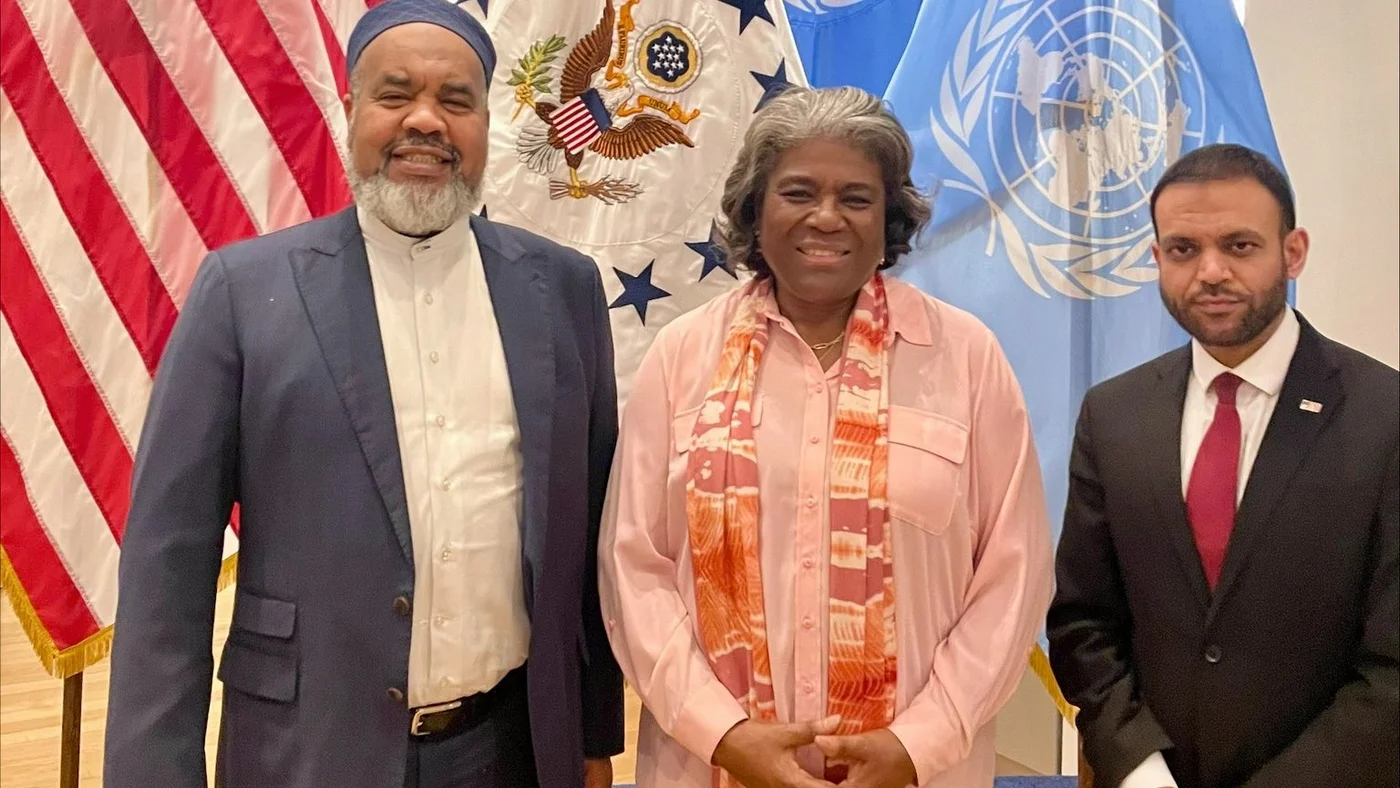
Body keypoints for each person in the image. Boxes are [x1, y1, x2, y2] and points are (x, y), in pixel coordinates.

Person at [102, 1, 624, 786]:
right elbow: (167, 569)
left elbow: (587, 538)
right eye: (395, 94)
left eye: (456, 100)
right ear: (350, 111)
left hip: (511, 749)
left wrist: (592, 737)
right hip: (309, 750)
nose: (427, 121)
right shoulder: (242, 293)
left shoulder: (565, 290)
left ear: (486, 120)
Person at [597, 85, 1055, 788]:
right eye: (799, 192)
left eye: (856, 198)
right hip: (710, 768)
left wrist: (918, 742)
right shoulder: (683, 357)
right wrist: (725, 735)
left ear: (889, 217)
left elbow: (1012, 576)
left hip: (921, 774)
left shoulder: (965, 358)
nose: (826, 218)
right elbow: (634, 568)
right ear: (755, 209)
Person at [1047, 143, 1399, 788]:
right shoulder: (1113, 414)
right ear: (1156, 259)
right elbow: (1083, 622)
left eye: (1239, 246)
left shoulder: (1385, 416)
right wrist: (1139, 765)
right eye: (1183, 249)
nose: (1210, 272)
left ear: (1292, 252)